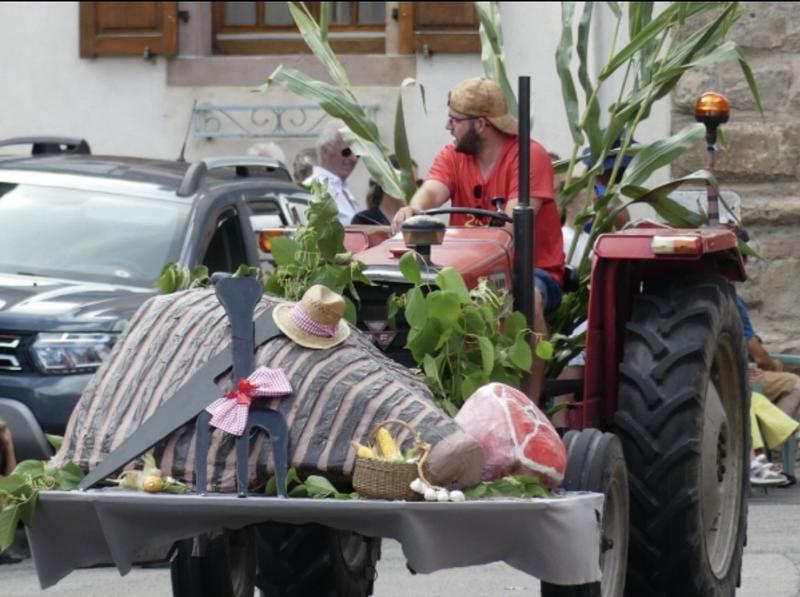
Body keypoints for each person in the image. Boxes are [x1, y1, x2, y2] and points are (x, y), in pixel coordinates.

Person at [391, 77, 564, 403]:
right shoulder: (453, 155)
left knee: (532, 300)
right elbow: (433, 190)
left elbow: (514, 225)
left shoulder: (529, 156)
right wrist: (413, 207)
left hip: (529, 268)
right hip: (465, 272)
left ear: (481, 124)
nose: (448, 126)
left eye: (455, 120)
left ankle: (530, 405)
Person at [308, 120, 361, 224]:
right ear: (325, 152)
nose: (354, 158)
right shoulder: (317, 188)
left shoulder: (341, 188)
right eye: (347, 152)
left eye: (357, 153)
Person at [352, 155, 419, 225]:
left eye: (418, 183)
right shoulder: (364, 220)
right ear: (389, 181)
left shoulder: (417, 220)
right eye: (408, 183)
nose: (415, 189)